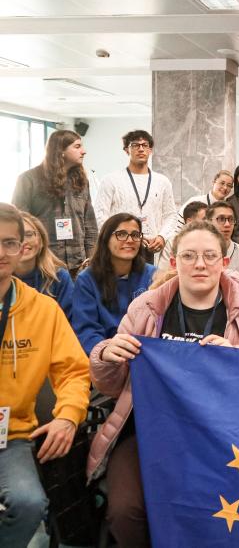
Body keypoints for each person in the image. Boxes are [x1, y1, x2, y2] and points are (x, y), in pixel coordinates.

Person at [86, 220, 239, 546]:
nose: (200, 264)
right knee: (124, 510)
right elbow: (111, 386)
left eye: (209, 255)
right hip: (148, 433)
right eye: (189, 256)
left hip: (224, 437)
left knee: (225, 510)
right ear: (174, 262)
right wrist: (107, 354)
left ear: (224, 262)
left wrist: (238, 361)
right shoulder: (145, 309)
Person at [0, 203, 90, 548]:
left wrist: (68, 417)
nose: (2, 252)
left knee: (29, 503)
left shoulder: (42, 309)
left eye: (10, 243)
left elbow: (73, 371)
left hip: (12, 437)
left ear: (23, 247)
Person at [12, 129, 97, 275]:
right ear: (60, 151)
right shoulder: (28, 179)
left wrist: (92, 260)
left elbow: (90, 226)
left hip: (78, 265)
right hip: (44, 264)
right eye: (77, 147)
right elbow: (19, 224)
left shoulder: (82, 182)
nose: (84, 151)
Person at [72, 214, 157, 356]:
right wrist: (104, 351)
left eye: (135, 235)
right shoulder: (87, 280)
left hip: (145, 354)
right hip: (106, 356)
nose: (129, 240)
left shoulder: (153, 276)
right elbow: (86, 329)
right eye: (121, 234)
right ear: (105, 239)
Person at [94, 130, 176, 262]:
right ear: (127, 150)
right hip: (121, 245)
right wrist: (120, 236)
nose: (141, 149)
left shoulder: (162, 181)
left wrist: (162, 237)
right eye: (135, 145)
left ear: (150, 150)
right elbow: (100, 215)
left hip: (152, 247)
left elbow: (171, 215)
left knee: (150, 282)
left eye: (145, 145)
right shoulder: (110, 180)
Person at [14, 212, 74, 321]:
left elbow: (72, 323)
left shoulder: (60, 278)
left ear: (41, 241)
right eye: (16, 236)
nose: (23, 241)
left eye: (29, 234)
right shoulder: (3, 280)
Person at [159, 200, 208, 272]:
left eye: (209, 219)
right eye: (204, 219)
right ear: (189, 222)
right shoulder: (173, 242)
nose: (208, 223)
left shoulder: (212, 242)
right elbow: (163, 272)